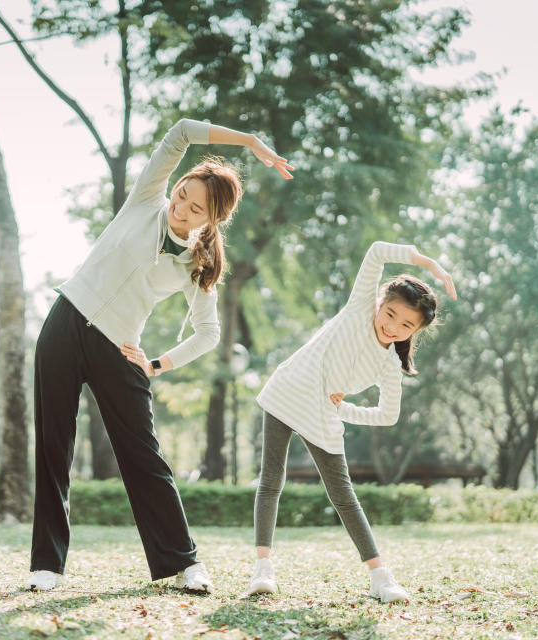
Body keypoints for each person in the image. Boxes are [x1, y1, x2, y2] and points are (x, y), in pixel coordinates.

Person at [26, 118, 294, 593]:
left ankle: (185, 562)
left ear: (212, 220)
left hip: (120, 347)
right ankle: (47, 565)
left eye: (195, 210)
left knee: (144, 457)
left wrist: (156, 364)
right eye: (183, 196)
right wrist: (249, 141)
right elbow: (182, 132)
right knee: (52, 448)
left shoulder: (198, 263)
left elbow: (209, 333)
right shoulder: (147, 200)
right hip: (66, 324)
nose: (181, 209)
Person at [248, 241, 456, 602]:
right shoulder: (359, 308)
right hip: (288, 390)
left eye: (406, 325)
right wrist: (429, 264)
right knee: (271, 480)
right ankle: (262, 569)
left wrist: (344, 411)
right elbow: (375, 250)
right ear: (379, 302)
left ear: (416, 331)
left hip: (324, 412)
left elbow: (387, 415)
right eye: (390, 314)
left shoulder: (390, 365)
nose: (393, 326)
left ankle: (380, 576)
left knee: (343, 495)